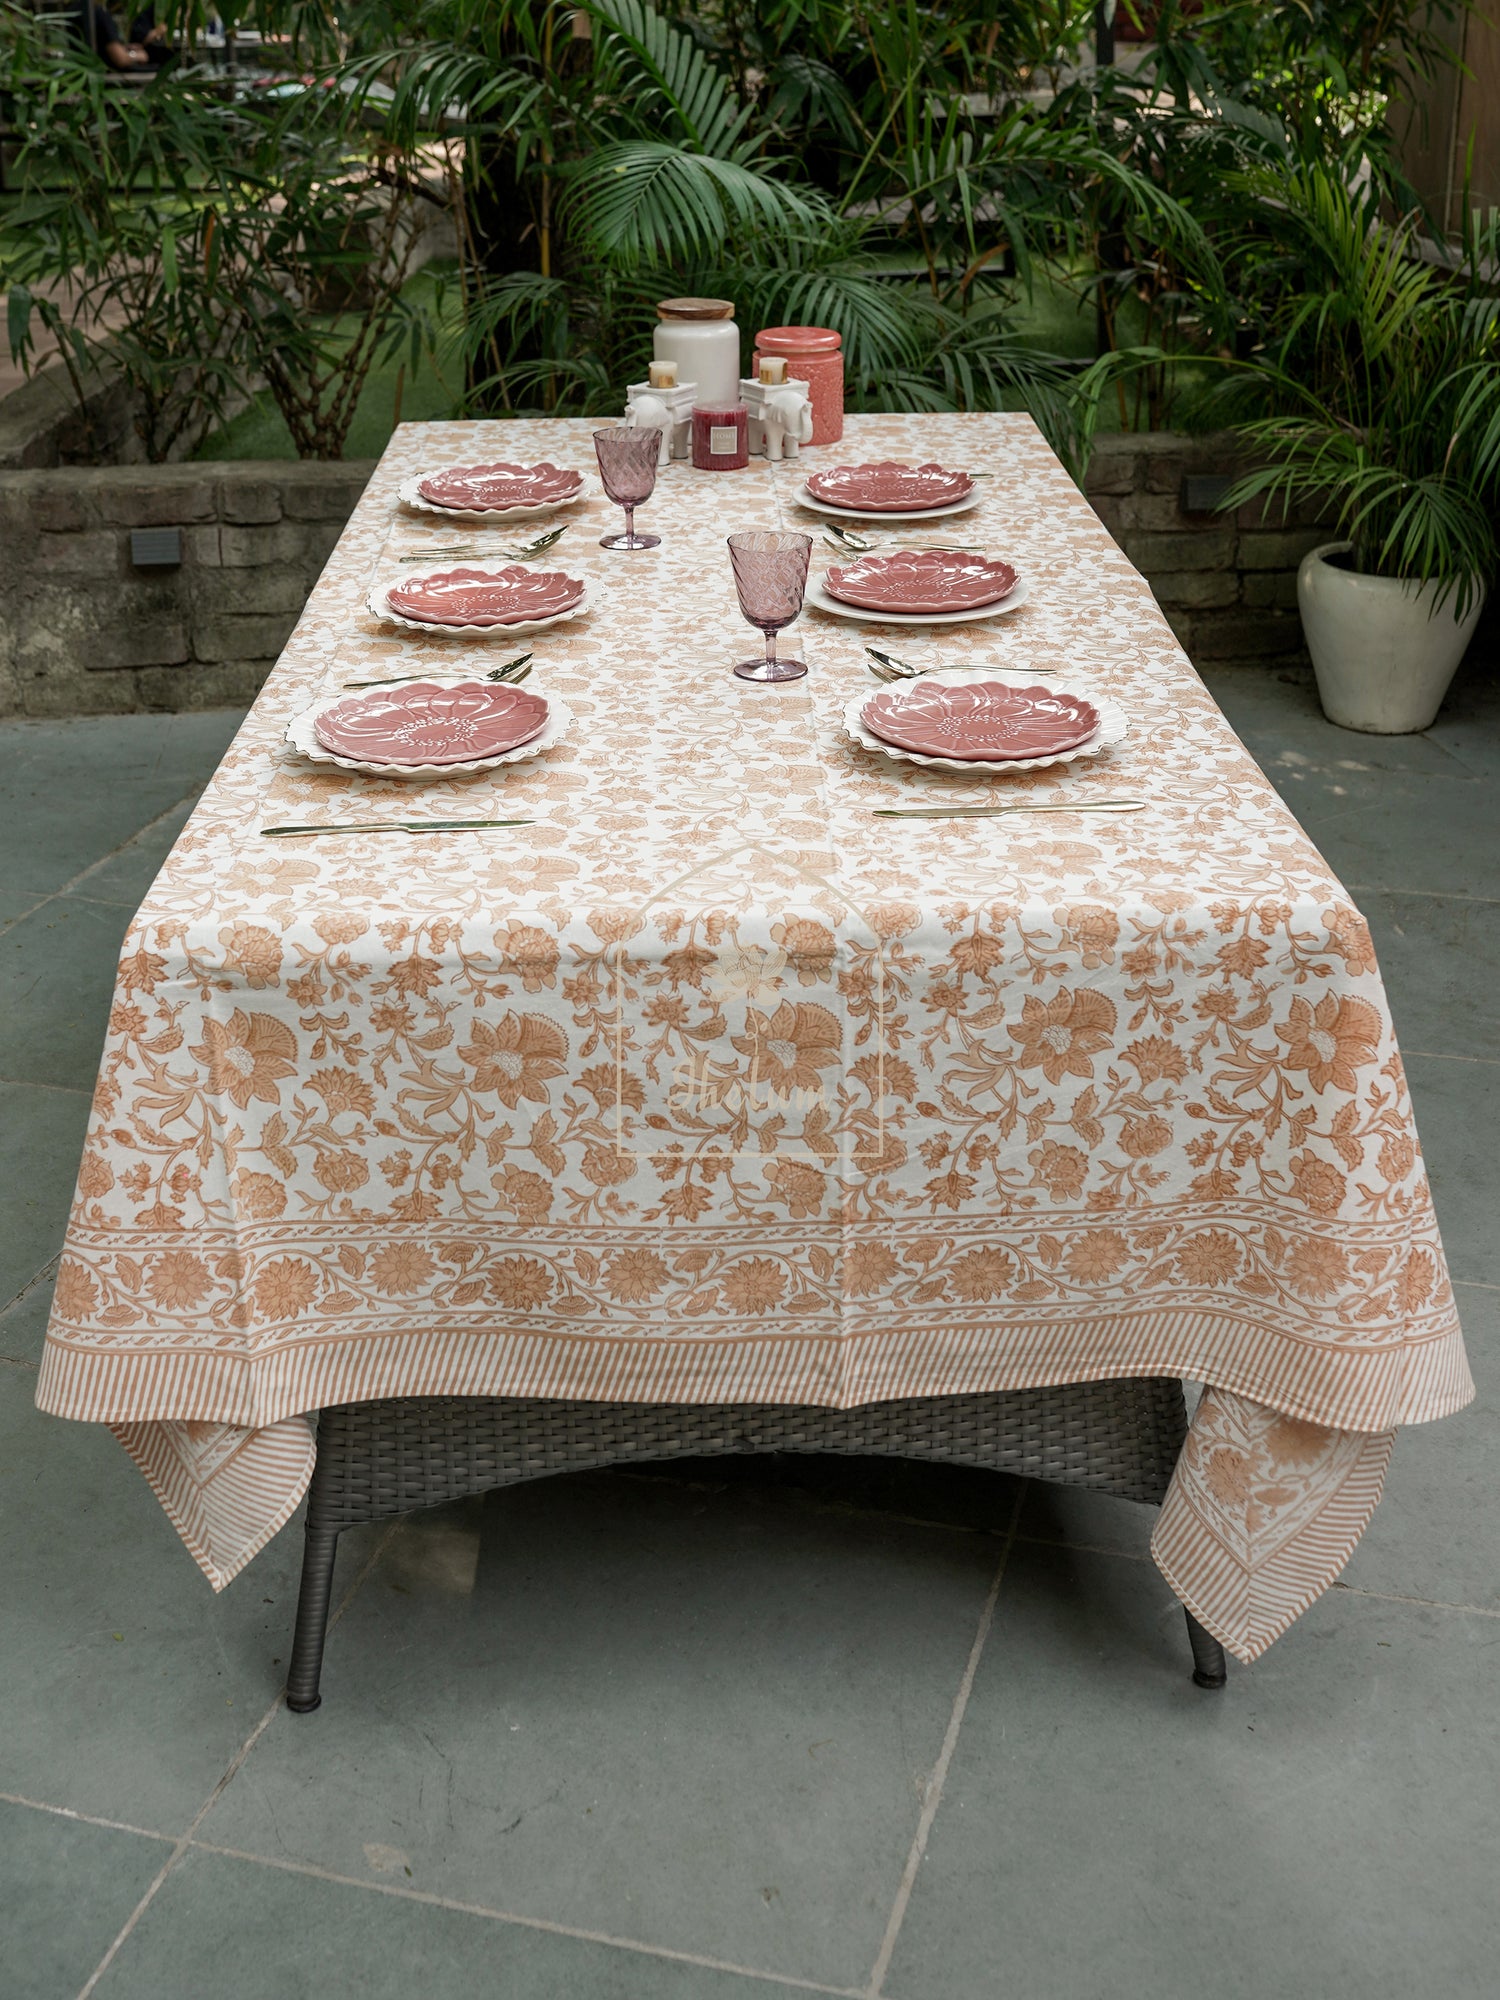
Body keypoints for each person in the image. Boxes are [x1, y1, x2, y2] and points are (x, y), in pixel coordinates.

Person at [64, 1, 171, 70]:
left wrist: (125, 48)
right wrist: (138, 55)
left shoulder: (74, 9)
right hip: (110, 74)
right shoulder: (100, 14)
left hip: (83, 68)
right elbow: (121, 59)